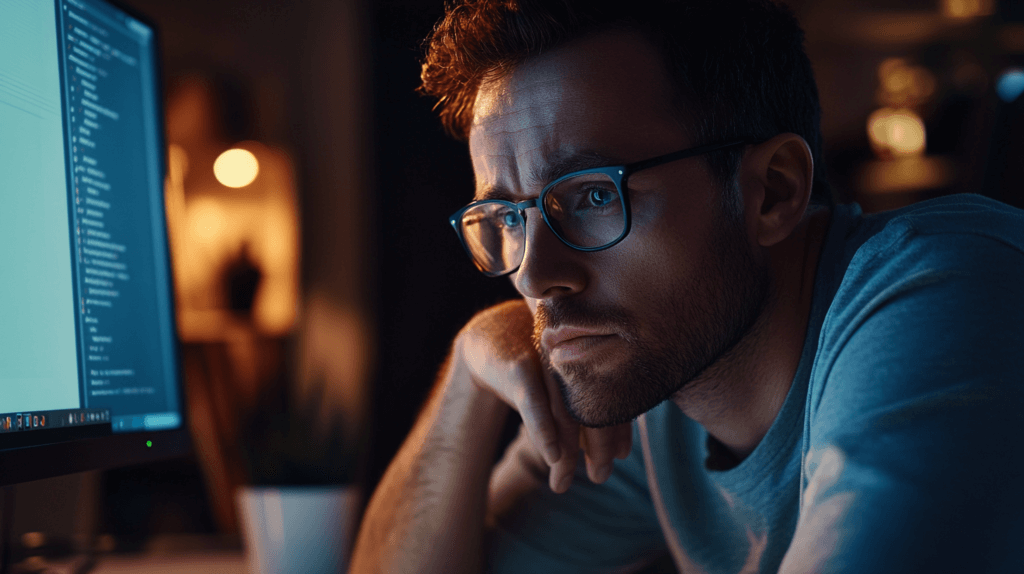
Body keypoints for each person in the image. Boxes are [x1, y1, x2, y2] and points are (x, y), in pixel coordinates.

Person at [350, 0, 1024, 572]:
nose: (533, 274)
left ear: (773, 191)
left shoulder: (952, 286)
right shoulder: (652, 386)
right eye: (504, 218)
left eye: (590, 196)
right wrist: (469, 371)